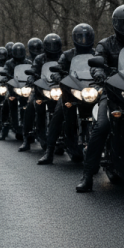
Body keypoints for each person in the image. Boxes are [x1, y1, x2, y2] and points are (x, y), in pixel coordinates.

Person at [76, 4, 124, 192]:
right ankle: (88, 175)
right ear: (116, 24)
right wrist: (99, 73)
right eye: (123, 23)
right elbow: (96, 62)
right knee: (101, 127)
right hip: (112, 94)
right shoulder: (105, 44)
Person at [37, 24, 94, 163]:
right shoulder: (67, 55)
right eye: (80, 37)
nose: (84, 40)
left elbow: (103, 67)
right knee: (57, 115)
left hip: (90, 90)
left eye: (86, 37)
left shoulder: (95, 54)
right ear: (75, 38)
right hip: (70, 92)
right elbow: (58, 69)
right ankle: (49, 152)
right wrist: (57, 77)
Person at [0, 42, 32, 141]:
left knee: (32, 104)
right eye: (16, 52)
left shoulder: (28, 62)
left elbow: (32, 71)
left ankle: (33, 126)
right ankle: (4, 126)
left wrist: (31, 78)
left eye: (20, 51)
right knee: (6, 103)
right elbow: (4, 71)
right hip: (13, 88)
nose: (18, 53)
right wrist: (5, 78)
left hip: (25, 88)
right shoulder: (9, 63)